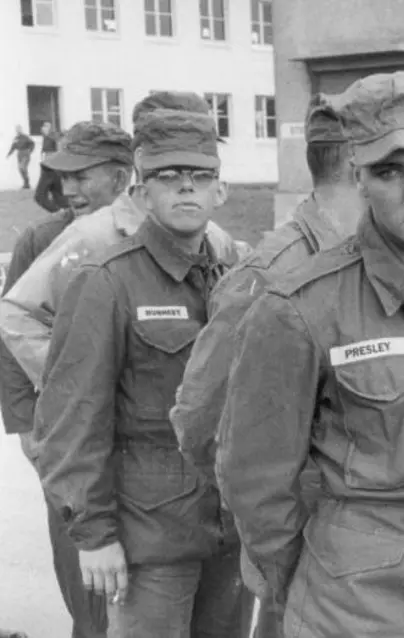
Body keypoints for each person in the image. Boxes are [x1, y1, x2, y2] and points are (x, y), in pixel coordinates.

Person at [215, 72, 404, 638]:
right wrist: (311, 586)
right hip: (358, 613)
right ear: (358, 177)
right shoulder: (301, 308)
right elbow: (255, 481)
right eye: (388, 170)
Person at [33, 109, 253, 638]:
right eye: (167, 176)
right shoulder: (106, 282)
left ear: (220, 191)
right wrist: (93, 535)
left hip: (227, 530)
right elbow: (72, 420)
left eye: (200, 177)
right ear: (141, 190)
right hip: (147, 540)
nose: (185, 188)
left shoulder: (236, 279)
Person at [170, 93, 363, 637]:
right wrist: (266, 529)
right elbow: (199, 419)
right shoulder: (273, 273)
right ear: (358, 165)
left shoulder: (373, 264)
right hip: (294, 548)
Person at [0, 91, 249, 393]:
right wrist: (76, 387)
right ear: (141, 155)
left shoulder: (213, 236)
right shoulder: (94, 236)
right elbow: (16, 314)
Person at [0, 121, 134, 638]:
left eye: (83, 176)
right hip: (66, 440)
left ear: (123, 177)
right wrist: (29, 428)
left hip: (137, 439)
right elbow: (10, 338)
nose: (70, 190)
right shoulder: (44, 237)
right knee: (86, 581)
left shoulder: (147, 234)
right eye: (63, 177)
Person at [34, 121, 67, 213]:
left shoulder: (53, 136)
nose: (42, 129)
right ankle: (66, 213)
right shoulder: (46, 137)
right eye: (43, 126)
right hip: (51, 165)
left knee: (41, 196)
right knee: (58, 196)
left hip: (51, 166)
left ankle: (60, 213)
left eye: (45, 127)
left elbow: (59, 145)